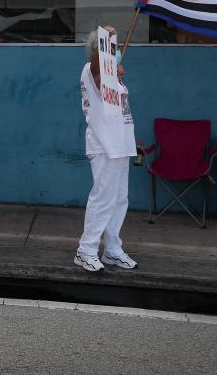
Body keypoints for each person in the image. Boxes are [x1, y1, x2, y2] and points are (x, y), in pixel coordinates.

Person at [74, 26, 138, 272]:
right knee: (103, 198)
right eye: (111, 46)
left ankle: (112, 249)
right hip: (104, 144)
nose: (115, 49)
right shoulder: (92, 69)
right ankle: (86, 250)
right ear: (97, 50)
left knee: (119, 199)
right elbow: (98, 71)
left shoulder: (111, 74)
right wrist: (107, 39)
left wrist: (116, 72)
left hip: (120, 143)